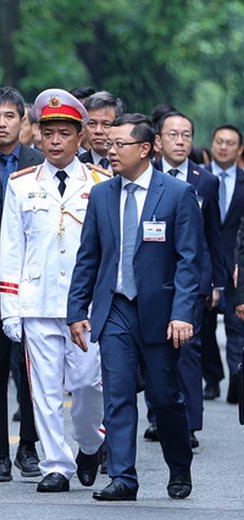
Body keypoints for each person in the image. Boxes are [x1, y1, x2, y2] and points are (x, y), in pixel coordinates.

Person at [68, 113, 203, 501]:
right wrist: (77, 310)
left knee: (165, 397)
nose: (110, 151)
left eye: (119, 144)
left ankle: (179, 466)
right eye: (108, 144)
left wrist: (181, 313)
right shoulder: (102, 194)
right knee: (118, 395)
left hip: (160, 314)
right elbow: (88, 258)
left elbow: (189, 261)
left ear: (145, 149)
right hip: (114, 310)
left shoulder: (175, 195)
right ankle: (124, 478)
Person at [0, 89, 107, 493]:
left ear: (80, 138)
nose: (57, 141)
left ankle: (91, 443)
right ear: (38, 137)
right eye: (49, 133)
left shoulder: (100, 183)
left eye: (65, 133)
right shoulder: (21, 185)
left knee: (86, 385)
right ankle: (55, 465)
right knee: (42, 389)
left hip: (87, 306)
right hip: (37, 301)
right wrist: (11, 308)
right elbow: (11, 248)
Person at [0, 86, 44, 482]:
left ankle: (29, 447)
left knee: (32, 372)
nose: (2, 123)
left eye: (10, 116)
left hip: (31, 288)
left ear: (23, 122)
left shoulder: (40, 163)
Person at [143, 111, 223, 446]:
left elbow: (212, 237)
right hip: (151, 278)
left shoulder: (205, 180)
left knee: (187, 351)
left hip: (191, 280)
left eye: (187, 135)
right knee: (153, 349)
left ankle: (189, 424)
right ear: (158, 142)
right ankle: (157, 417)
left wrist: (215, 282)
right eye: (173, 135)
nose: (181, 141)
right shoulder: (144, 176)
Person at [203, 124, 244, 403]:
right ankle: (213, 379)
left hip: (236, 266)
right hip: (206, 263)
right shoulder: (198, 179)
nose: (224, 147)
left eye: (230, 143)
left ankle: (236, 382)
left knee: (236, 326)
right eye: (219, 141)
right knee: (203, 326)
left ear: (239, 149)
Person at [79, 91, 125, 169]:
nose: (98, 131)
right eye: (92, 124)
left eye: (106, 124)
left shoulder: (130, 165)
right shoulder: (78, 165)